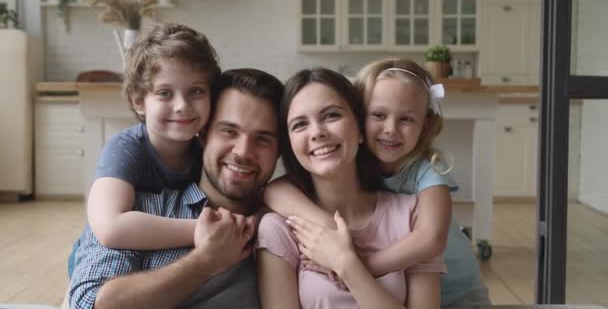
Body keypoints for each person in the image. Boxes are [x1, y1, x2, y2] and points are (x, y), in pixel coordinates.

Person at [262, 58, 490, 307]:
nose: (390, 129)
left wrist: (350, 263)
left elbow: (432, 238)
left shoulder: (422, 186)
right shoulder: (280, 225)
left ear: (357, 128)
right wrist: (332, 228)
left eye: (332, 115)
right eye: (300, 124)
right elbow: (273, 190)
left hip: (463, 297)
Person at [68, 68, 284, 309]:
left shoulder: (284, 229)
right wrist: (205, 261)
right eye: (228, 131)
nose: (243, 151)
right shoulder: (140, 210)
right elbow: (87, 303)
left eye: (263, 138)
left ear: (280, 150)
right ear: (203, 135)